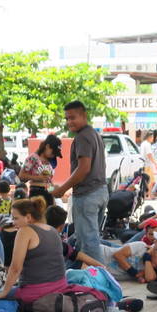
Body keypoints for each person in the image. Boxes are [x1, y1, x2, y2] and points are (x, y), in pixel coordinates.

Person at [0, 197, 76, 305]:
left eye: (15, 218)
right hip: (61, 287)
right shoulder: (52, 229)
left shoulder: (24, 231)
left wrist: (4, 292)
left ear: (28, 217)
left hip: (36, 292)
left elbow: (15, 268)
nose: (13, 222)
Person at [53, 101, 109, 276]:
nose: (69, 122)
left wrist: (62, 189)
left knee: (90, 244)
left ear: (84, 115)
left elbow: (83, 168)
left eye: (73, 117)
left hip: (88, 195)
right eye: (67, 118)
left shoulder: (83, 137)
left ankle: (103, 286)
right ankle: (71, 275)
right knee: (83, 241)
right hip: (100, 192)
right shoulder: (93, 134)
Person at [19, 135, 59, 202]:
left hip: (48, 193)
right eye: (53, 152)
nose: (53, 155)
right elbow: (21, 175)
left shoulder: (49, 161)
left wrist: (53, 193)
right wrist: (38, 178)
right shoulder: (33, 158)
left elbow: (48, 180)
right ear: (47, 147)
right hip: (36, 193)